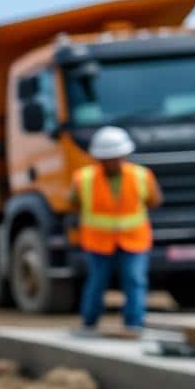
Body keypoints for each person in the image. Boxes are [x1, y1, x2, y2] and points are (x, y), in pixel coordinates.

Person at [69, 126, 162, 332]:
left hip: (134, 239)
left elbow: (154, 200)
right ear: (99, 158)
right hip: (98, 241)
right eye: (108, 157)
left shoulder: (141, 175)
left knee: (134, 279)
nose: (113, 161)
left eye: (117, 156)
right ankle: (89, 321)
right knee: (97, 282)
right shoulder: (83, 179)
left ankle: (134, 324)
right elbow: (73, 204)